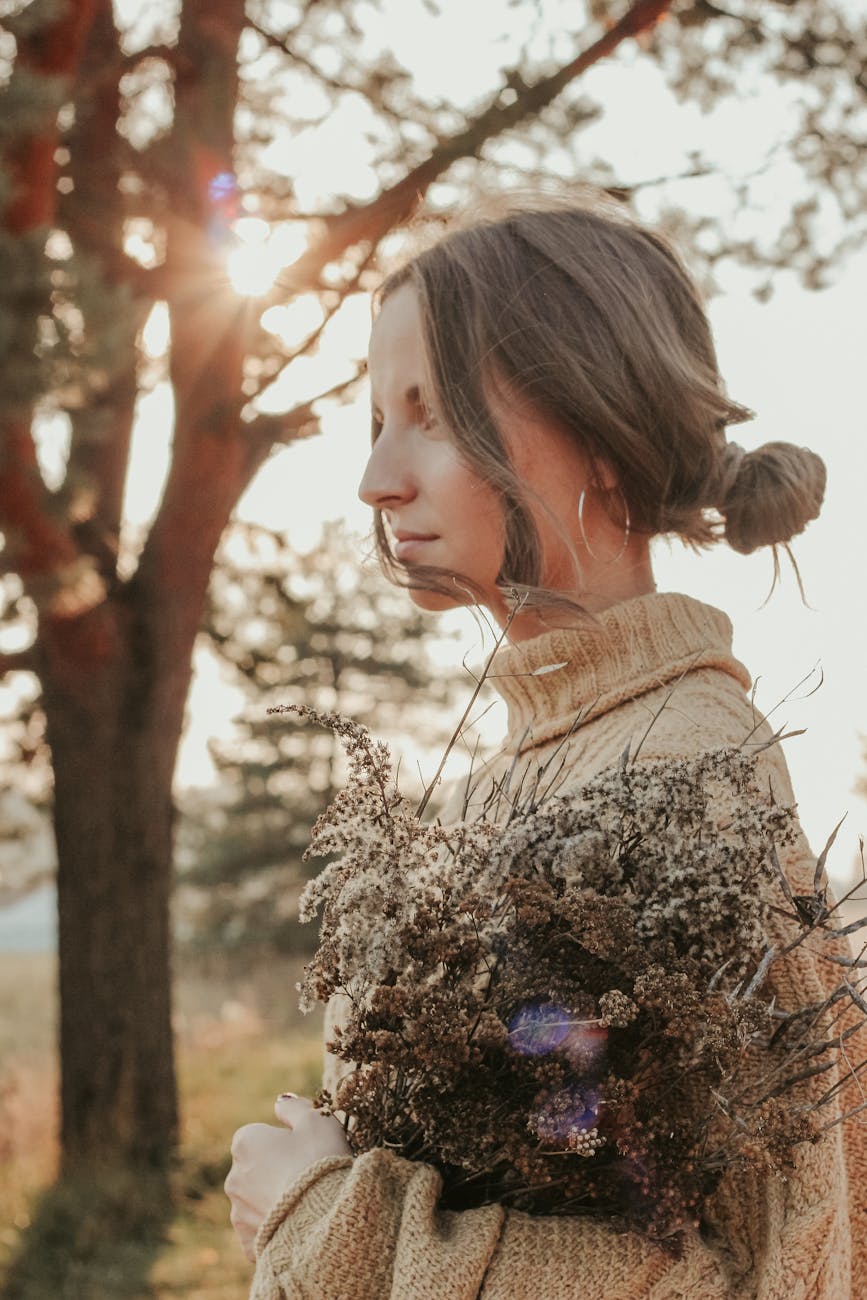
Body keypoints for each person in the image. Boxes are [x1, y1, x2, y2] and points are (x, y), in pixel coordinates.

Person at [225, 195, 866, 1298]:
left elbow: (787, 1271)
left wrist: (334, 1224)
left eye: (431, 414)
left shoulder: (695, 775)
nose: (378, 478)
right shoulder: (497, 778)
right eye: (378, 418)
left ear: (603, 441)